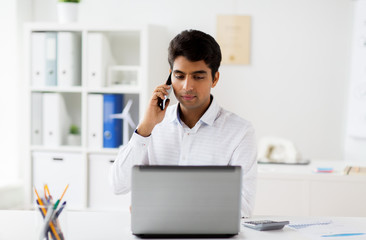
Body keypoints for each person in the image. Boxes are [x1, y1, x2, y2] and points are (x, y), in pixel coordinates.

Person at [110, 29, 257, 217]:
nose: (187, 86)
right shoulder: (153, 126)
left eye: (198, 76)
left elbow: (243, 208)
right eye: (179, 76)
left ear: (215, 78)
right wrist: (145, 128)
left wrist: (164, 205)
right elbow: (118, 185)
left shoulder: (240, 132)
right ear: (170, 77)